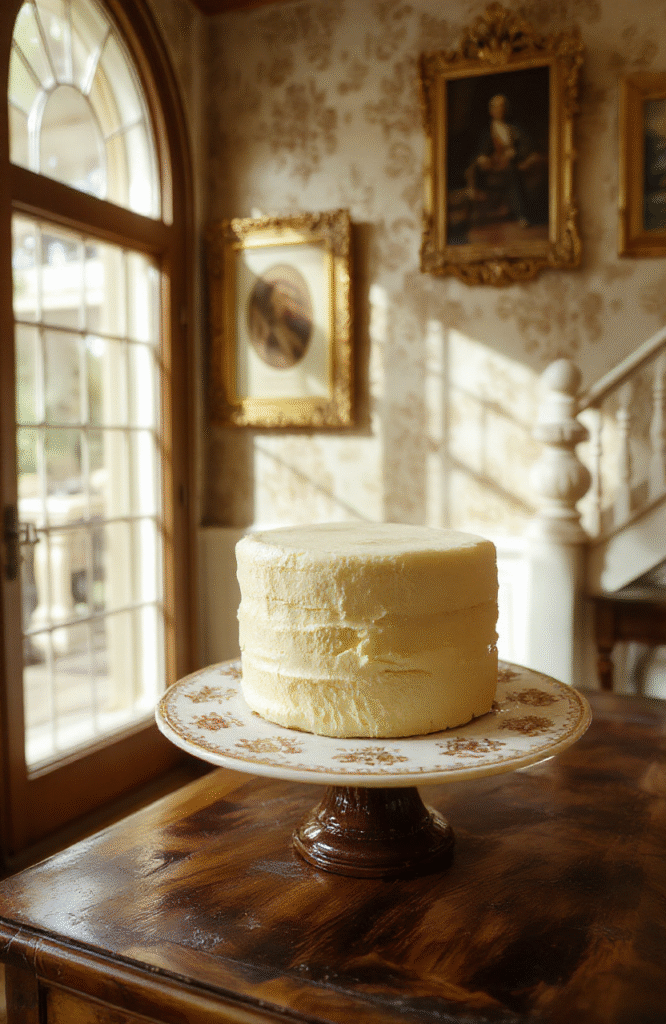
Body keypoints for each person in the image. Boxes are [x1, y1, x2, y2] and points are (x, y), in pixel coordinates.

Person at [466, 93, 540, 228]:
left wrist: (515, 153)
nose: (500, 110)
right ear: (491, 111)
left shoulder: (514, 128)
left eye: (502, 106)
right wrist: (483, 158)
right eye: (497, 107)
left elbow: (527, 146)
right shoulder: (487, 132)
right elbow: (480, 152)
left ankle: (521, 215)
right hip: (492, 169)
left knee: (512, 171)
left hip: (511, 165)